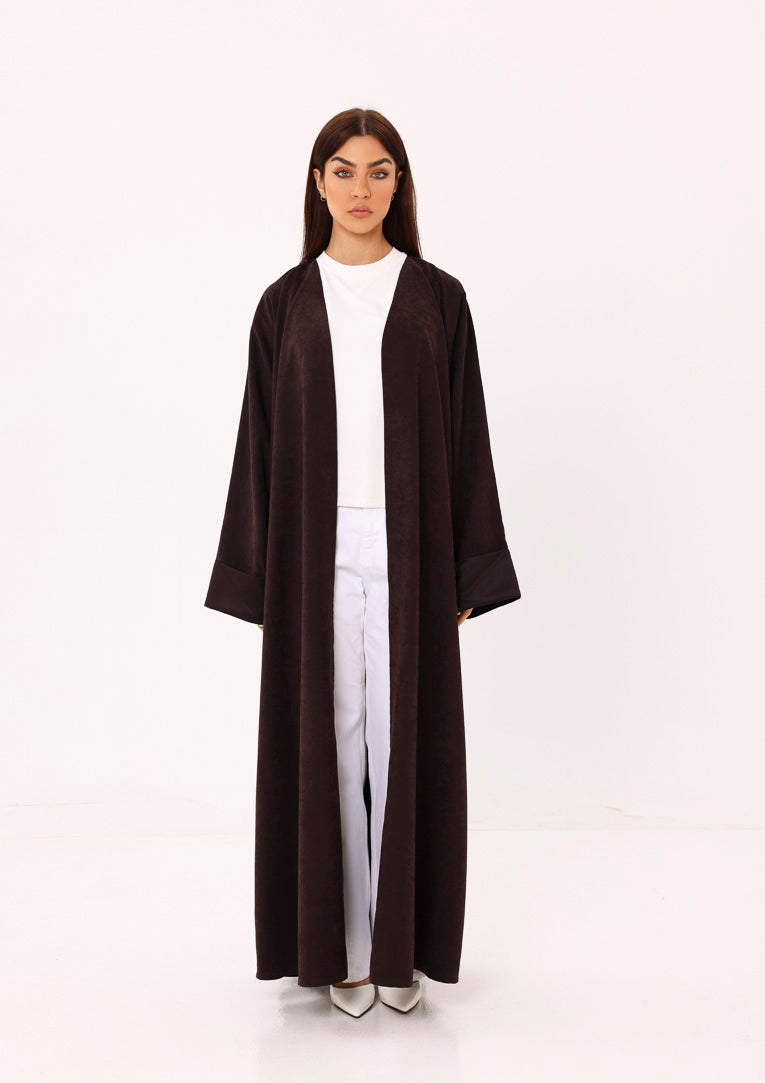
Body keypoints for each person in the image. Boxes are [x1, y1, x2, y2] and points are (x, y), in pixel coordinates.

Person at [204, 108, 521, 1018]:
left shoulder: (436, 298)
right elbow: (259, 443)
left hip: (411, 549)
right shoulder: (284, 303)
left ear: (398, 185)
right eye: (341, 171)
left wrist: (468, 568)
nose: (359, 189)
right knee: (332, 745)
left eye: (378, 171)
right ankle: (340, 948)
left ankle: (399, 950)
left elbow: (466, 434)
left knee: (403, 737)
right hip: (314, 553)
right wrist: (257, 575)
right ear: (317, 184)